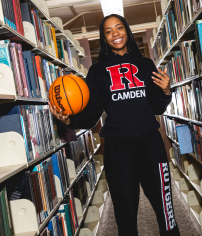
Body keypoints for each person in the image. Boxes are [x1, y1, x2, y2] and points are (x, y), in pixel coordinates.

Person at [49, 14, 180, 236]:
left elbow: (157, 107)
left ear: (127, 31)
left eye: (119, 28)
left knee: (165, 211)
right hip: (117, 149)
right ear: (104, 38)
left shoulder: (146, 65)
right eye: (108, 31)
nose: (115, 34)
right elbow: (91, 115)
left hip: (150, 145)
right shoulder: (98, 72)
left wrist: (167, 91)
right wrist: (70, 120)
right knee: (125, 215)